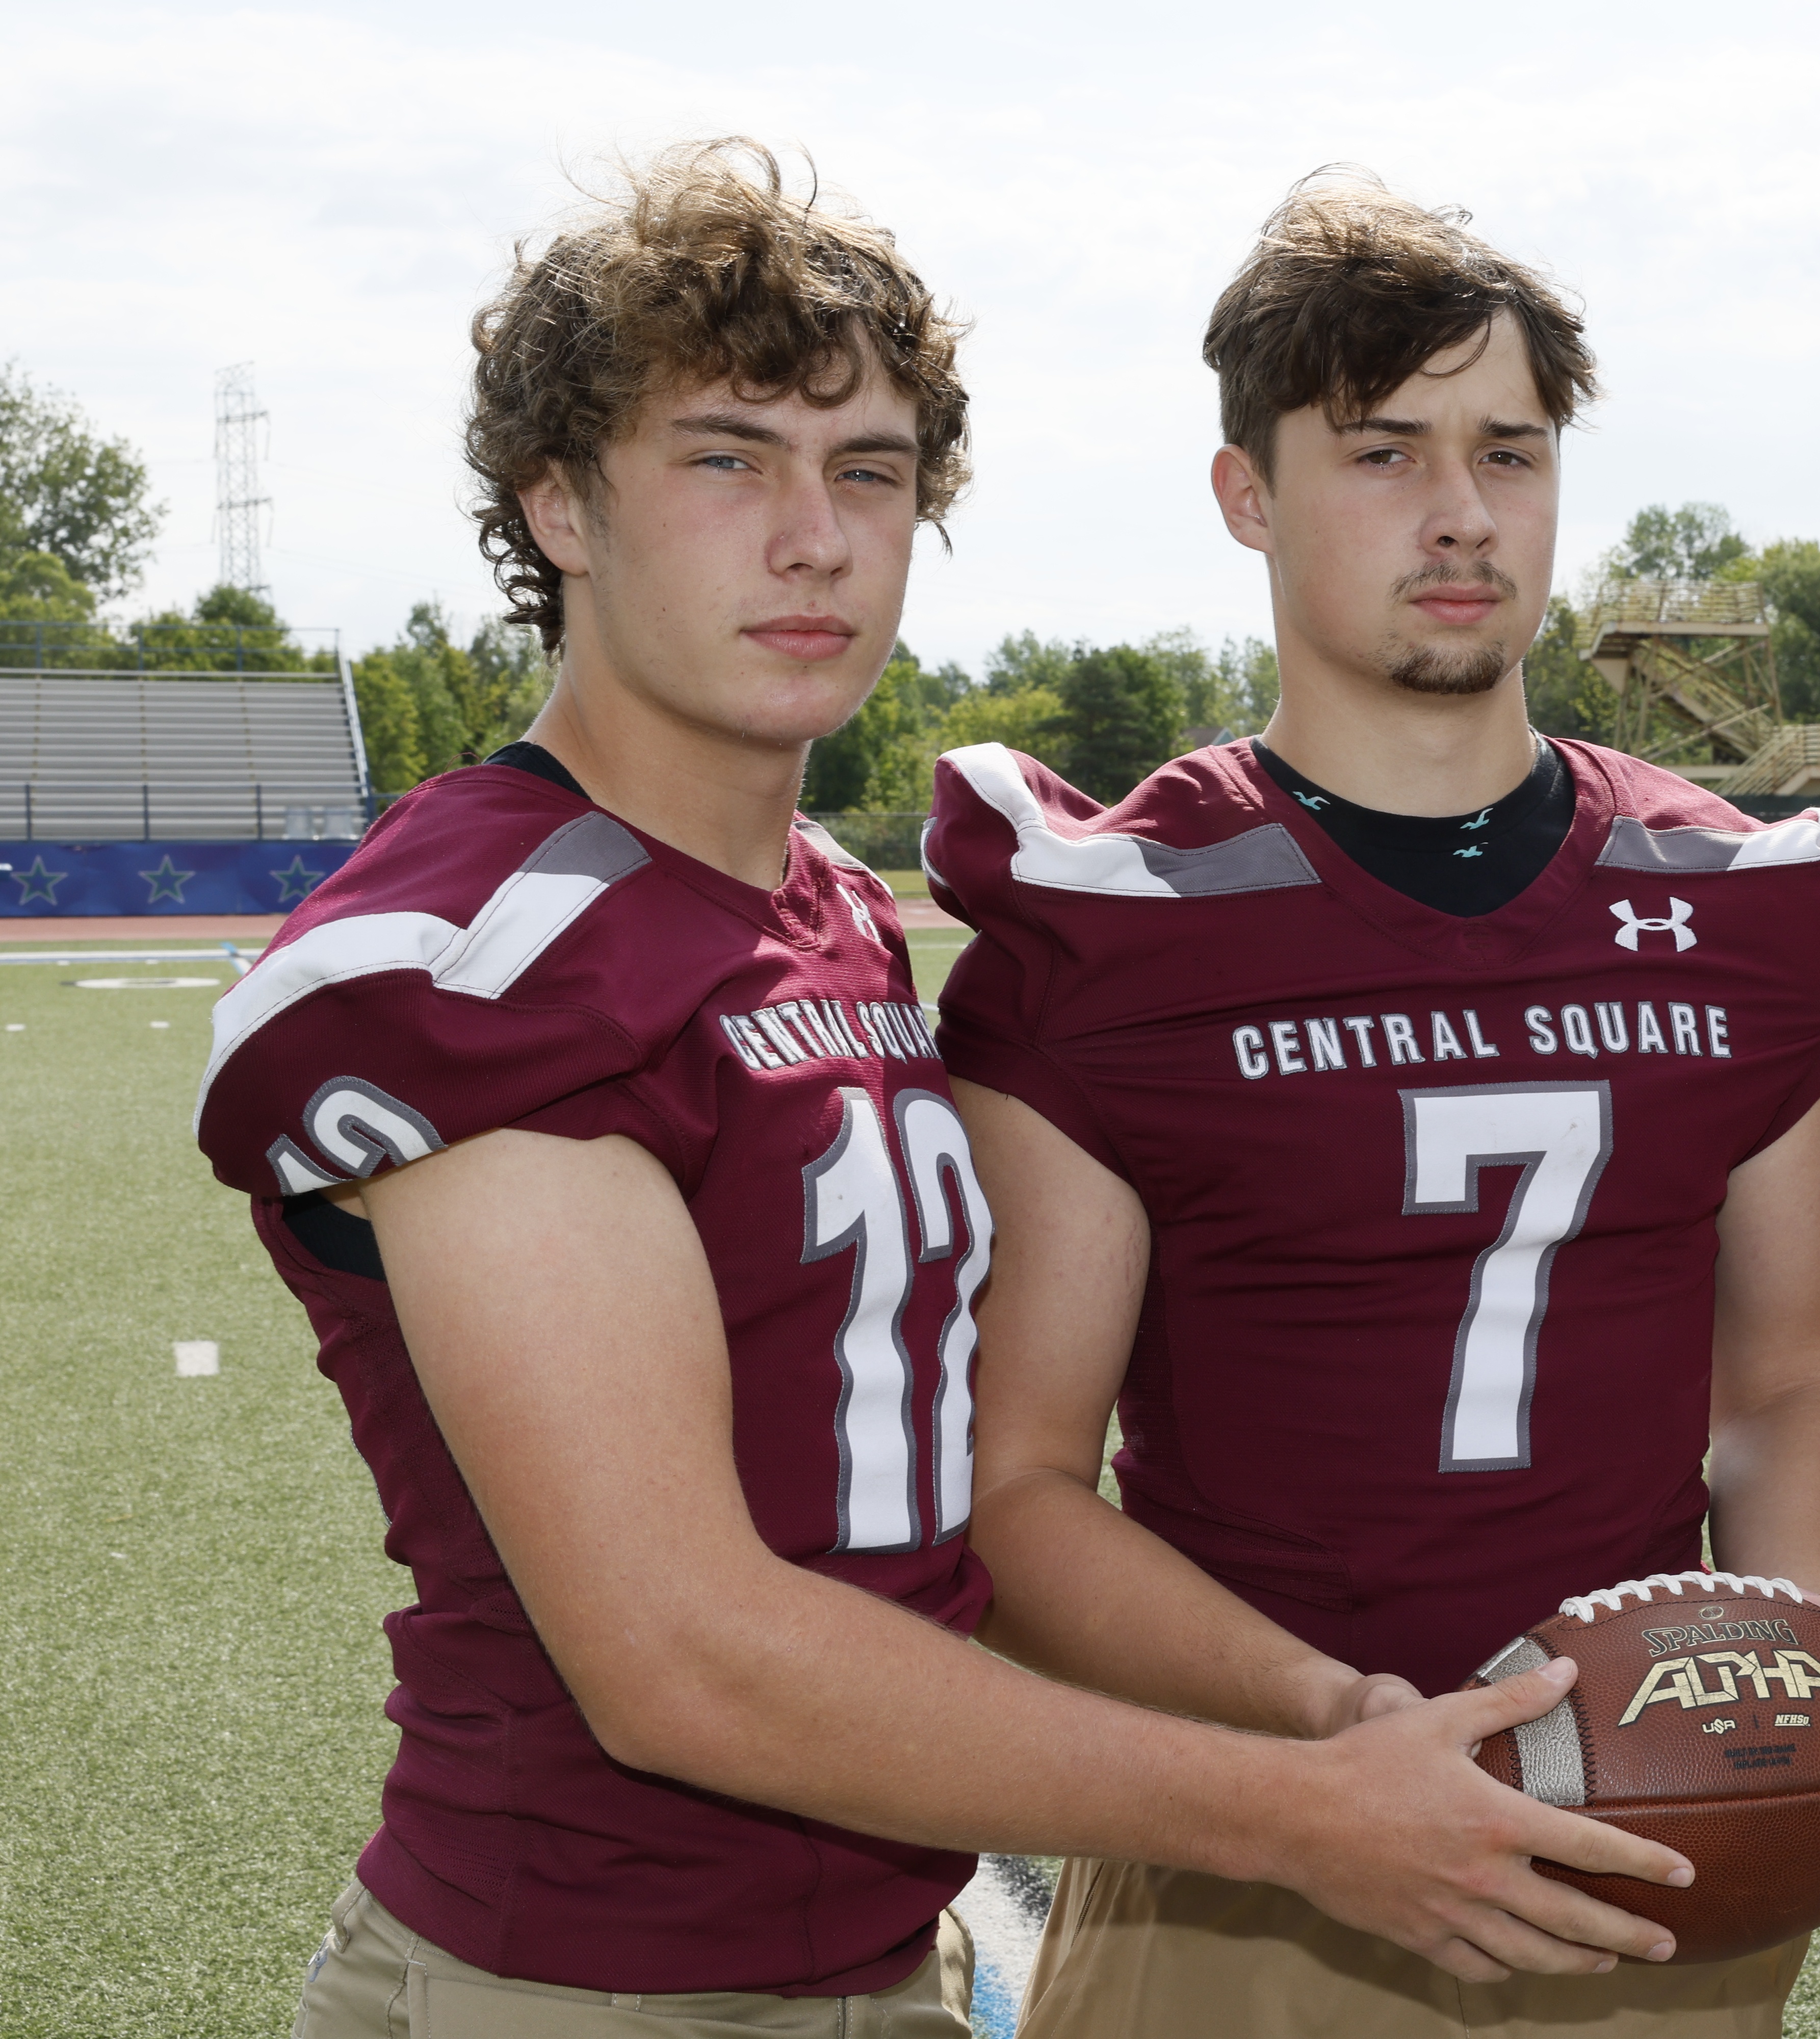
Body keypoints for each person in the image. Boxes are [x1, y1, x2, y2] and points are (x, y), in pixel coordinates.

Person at [197, 141, 1693, 2038]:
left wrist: (1328, 1716)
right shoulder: (486, 954)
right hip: (578, 1974)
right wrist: (1296, 1809)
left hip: (863, 1953)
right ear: (560, 503)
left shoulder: (813, 903)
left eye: (871, 470)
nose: (816, 534)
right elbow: (683, 1659)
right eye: (728, 458)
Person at [923, 172, 1820, 2038]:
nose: (1460, 514)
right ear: (1248, 496)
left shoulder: (1742, 902)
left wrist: (1773, 1652)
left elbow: (1792, 1385)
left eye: (1508, 452)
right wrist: (1335, 1736)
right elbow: (1018, 1484)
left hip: (1647, 1850)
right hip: (1249, 1855)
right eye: (1383, 451)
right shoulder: (1118, 923)